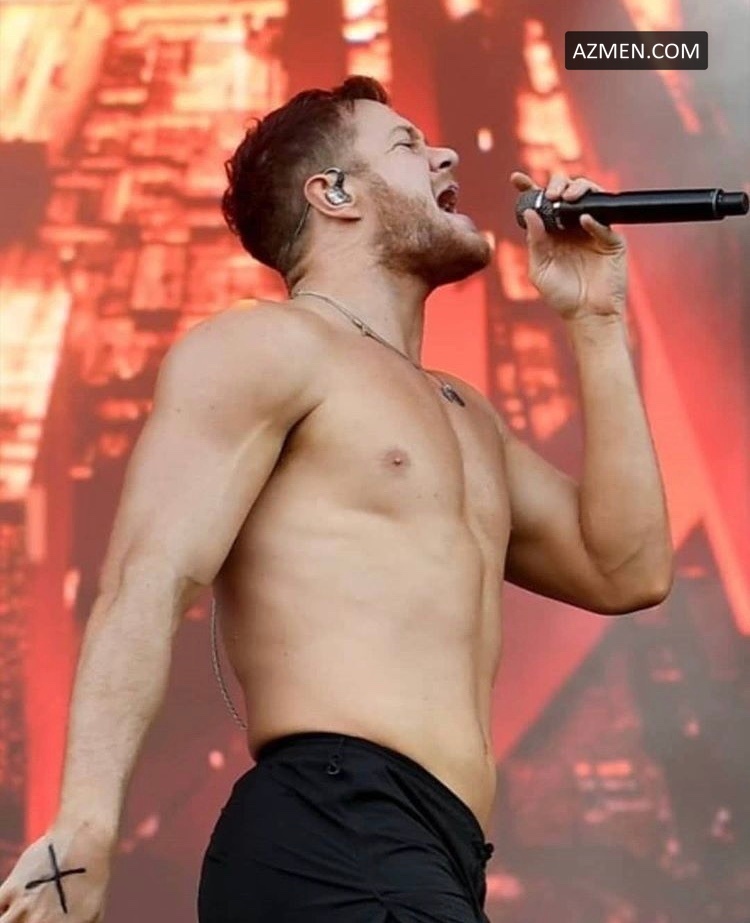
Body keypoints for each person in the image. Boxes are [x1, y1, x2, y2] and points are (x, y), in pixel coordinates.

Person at [0, 75, 673, 923]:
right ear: (335, 194)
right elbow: (148, 579)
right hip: (334, 824)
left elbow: (626, 568)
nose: (446, 154)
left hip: (432, 849)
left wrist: (596, 320)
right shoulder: (269, 346)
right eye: (406, 145)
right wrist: (83, 828)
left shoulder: (468, 417)